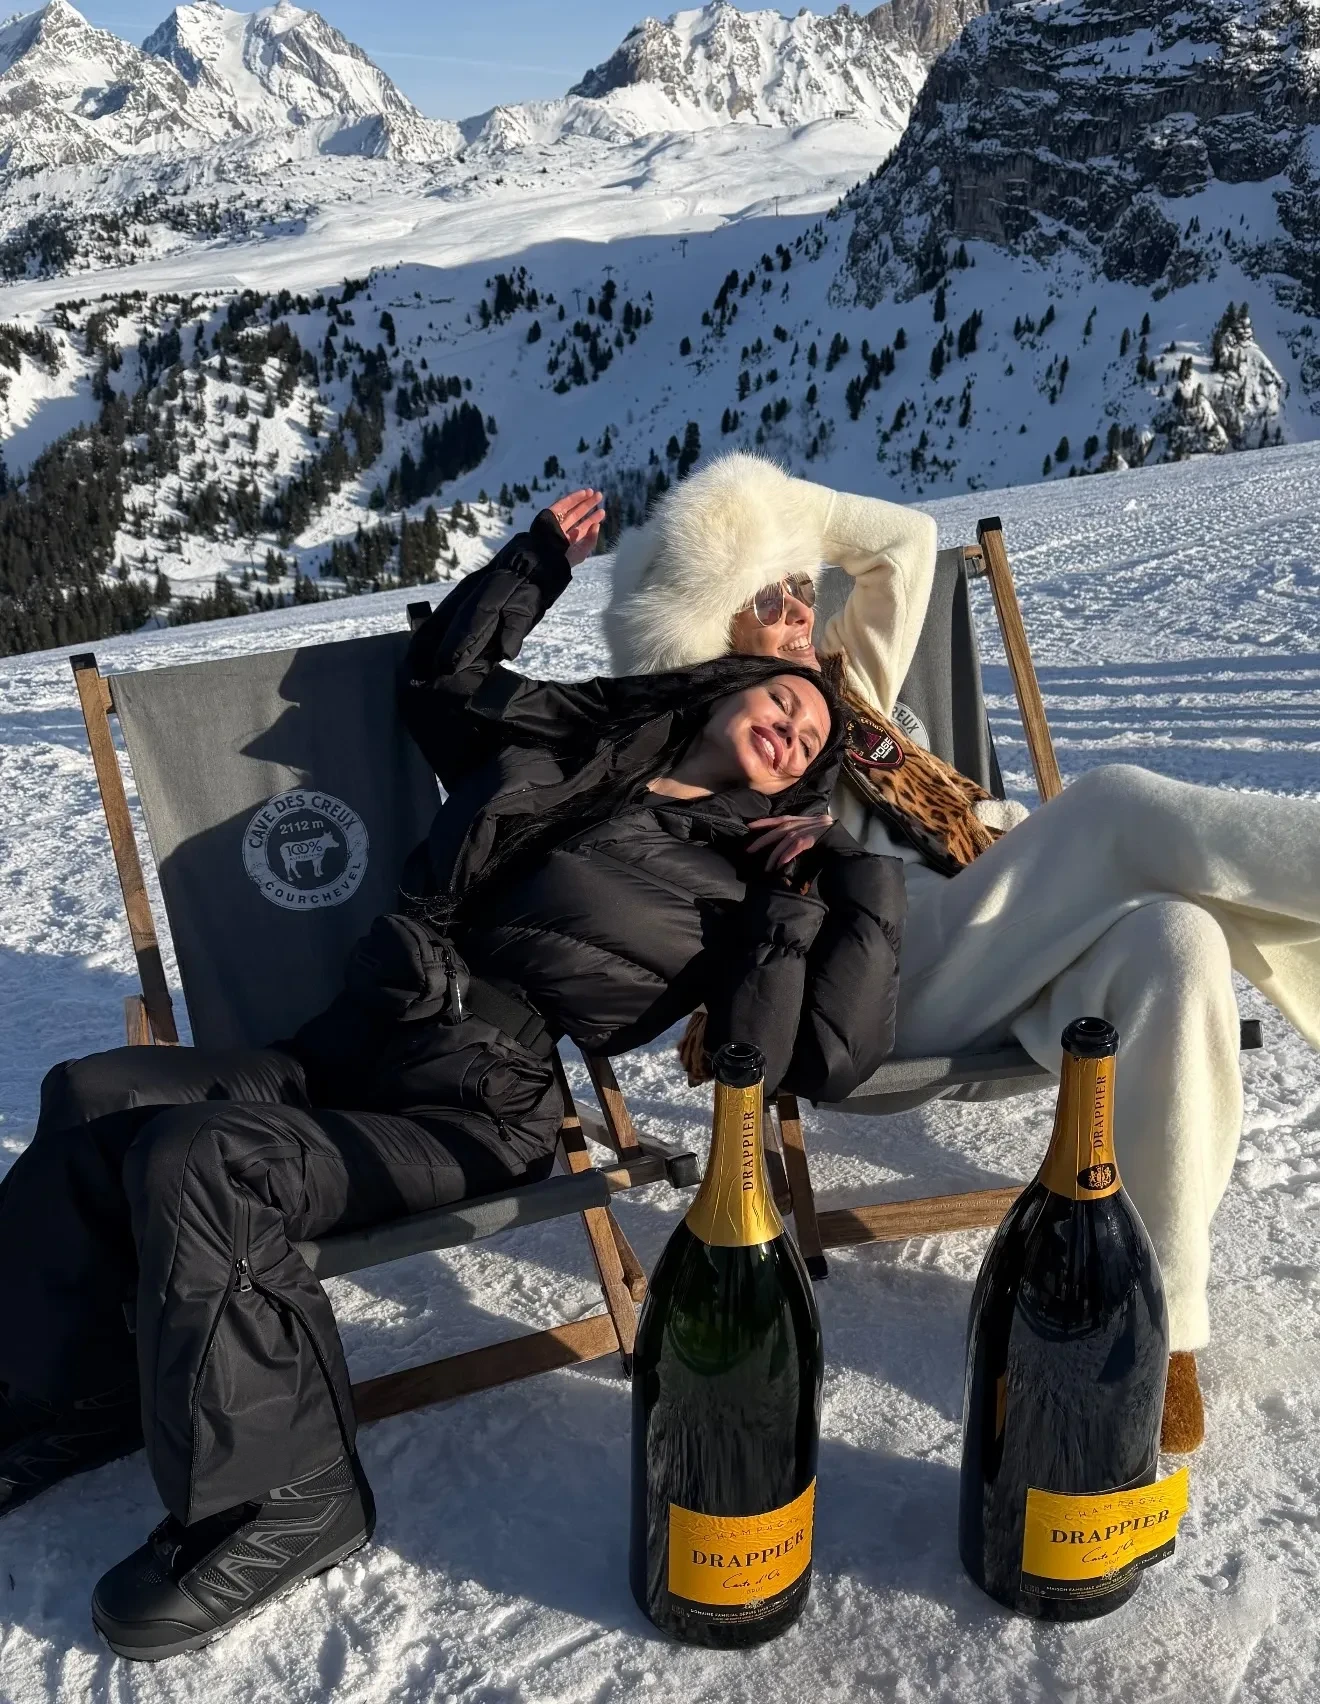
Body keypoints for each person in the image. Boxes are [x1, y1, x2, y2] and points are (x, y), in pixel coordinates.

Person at [0, 491, 904, 1660]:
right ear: (726, 685)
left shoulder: (749, 881)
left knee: (202, 1163)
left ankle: (287, 1497)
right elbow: (440, 678)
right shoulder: (573, 750)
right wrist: (536, 561)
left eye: (813, 743)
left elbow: (819, 1058)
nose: (793, 728)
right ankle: (77, 1395)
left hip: (475, 1109)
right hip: (348, 1051)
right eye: (785, 699)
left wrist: (844, 886)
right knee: (92, 1098)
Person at [603, 450, 1320, 1454]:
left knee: (1178, 938)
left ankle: (1164, 1331)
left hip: (998, 943)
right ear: (707, 628)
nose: (802, 607)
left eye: (801, 582)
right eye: (767, 597)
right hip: (875, 986)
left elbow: (901, 545)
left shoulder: (843, 693)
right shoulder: (707, 752)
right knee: (1111, 808)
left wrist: (761, 513)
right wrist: (710, 555)